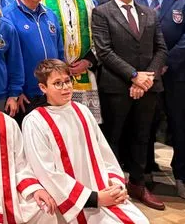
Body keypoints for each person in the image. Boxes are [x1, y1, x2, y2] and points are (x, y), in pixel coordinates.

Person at [22, 59, 148, 224]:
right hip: (70, 204)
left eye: (67, 81)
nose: (66, 87)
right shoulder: (35, 121)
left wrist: (116, 185)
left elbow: (104, 153)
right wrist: (94, 198)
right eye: (57, 83)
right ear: (43, 88)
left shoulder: (82, 111)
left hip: (101, 191)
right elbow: (46, 172)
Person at [92, 0, 167, 210]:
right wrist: (134, 76)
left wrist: (147, 79)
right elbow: (104, 51)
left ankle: (138, 183)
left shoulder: (149, 13)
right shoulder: (102, 13)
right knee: (114, 137)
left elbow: (161, 49)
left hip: (148, 87)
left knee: (142, 137)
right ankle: (114, 186)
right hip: (116, 87)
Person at [133, 0, 185, 198]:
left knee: (181, 125)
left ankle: (183, 177)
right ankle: (145, 172)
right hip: (142, 73)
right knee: (144, 124)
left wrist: (164, 63)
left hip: (177, 73)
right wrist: (148, 67)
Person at [0, 66, 58, 223]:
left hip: (10, 191)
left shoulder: (8, 123)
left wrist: (34, 188)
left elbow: (21, 164)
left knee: (46, 210)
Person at [41, 0, 101, 122]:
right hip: (52, 74)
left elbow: (97, 34)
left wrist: (88, 61)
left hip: (82, 71)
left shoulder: (87, 1)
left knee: (82, 123)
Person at [3, 0, 64, 118]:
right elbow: (6, 59)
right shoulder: (7, 17)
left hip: (52, 89)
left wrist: (62, 78)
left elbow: (59, 50)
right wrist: (16, 91)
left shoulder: (49, 14)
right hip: (27, 93)